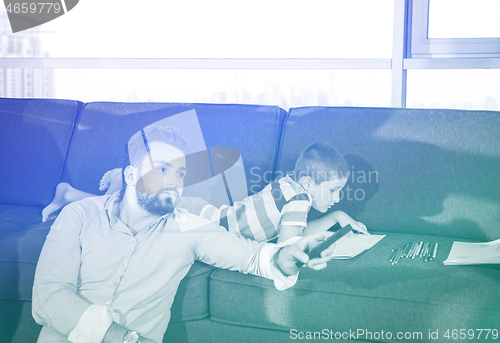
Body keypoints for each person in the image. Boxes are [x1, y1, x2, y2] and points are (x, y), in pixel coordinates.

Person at [32, 126, 336, 343]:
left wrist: (288, 255)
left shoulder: (189, 227)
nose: (174, 181)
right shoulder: (80, 215)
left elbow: (256, 257)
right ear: (129, 175)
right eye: (162, 169)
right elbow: (48, 297)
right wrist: (119, 337)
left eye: (179, 173)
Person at [42, 143, 369, 242]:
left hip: (211, 213)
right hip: (204, 220)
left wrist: (336, 217)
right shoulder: (300, 199)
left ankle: (77, 191)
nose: (338, 197)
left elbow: (292, 228)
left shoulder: (291, 185)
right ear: (311, 184)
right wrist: (326, 238)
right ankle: (83, 191)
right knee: (129, 212)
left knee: (143, 204)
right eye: (335, 190)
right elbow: (289, 243)